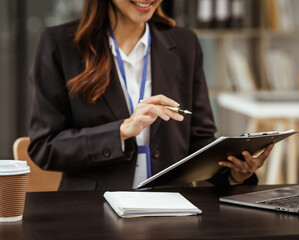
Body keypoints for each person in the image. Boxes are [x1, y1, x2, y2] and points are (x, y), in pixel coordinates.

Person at [28, 0, 273, 191]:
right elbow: (45, 148)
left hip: (173, 210)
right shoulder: (59, 45)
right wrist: (121, 131)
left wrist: (235, 172)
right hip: (94, 211)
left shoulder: (185, 43)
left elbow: (199, 141)